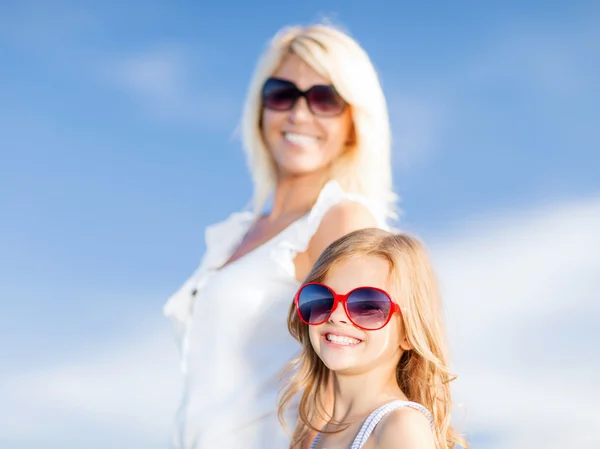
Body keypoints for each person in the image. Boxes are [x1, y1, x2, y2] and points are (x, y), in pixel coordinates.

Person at [163, 23, 397, 449]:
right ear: (260, 109)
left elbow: (358, 381)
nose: (299, 114)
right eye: (282, 94)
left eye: (325, 99)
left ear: (353, 122)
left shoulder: (341, 220)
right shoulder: (235, 235)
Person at [279, 228, 468, 449]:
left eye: (368, 305)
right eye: (323, 298)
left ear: (408, 333)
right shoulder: (324, 433)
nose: (337, 316)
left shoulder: (400, 426)